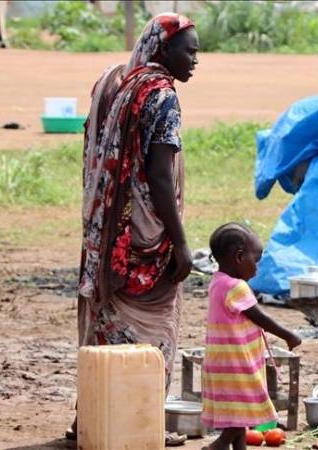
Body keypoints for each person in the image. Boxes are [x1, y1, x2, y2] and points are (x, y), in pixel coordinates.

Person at [71, 13, 199, 445]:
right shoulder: (161, 96)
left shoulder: (123, 84)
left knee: (106, 324)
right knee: (154, 331)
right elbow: (159, 174)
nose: (196, 59)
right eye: (189, 50)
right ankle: (139, 425)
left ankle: (91, 417)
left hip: (112, 231)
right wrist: (180, 243)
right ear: (164, 50)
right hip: (146, 234)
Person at [202, 223, 302, 450]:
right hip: (237, 361)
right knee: (245, 406)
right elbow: (260, 317)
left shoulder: (218, 282)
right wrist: (289, 335)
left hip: (222, 360)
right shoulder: (236, 287)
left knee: (237, 408)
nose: (257, 268)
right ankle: (219, 444)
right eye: (255, 260)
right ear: (239, 256)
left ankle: (238, 445)